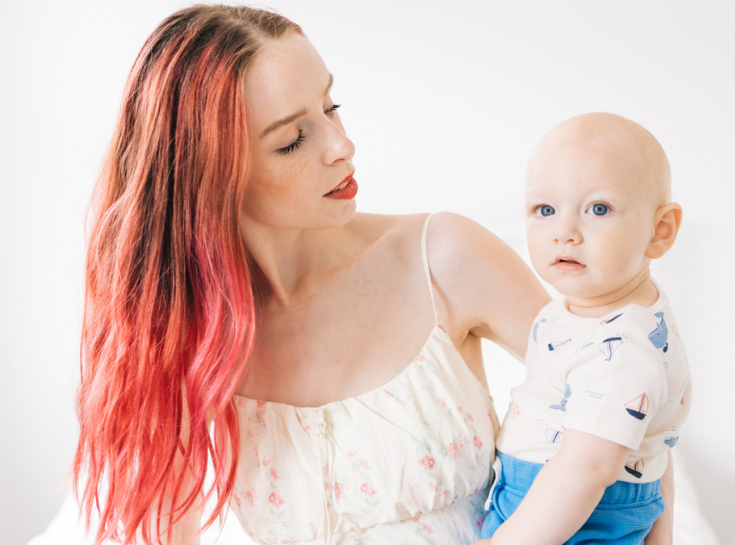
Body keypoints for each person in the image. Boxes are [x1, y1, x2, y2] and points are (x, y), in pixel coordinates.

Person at [71, 5, 552, 545]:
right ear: (210, 176)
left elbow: (628, 403)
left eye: (331, 106)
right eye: (291, 140)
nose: (340, 146)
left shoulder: (444, 258)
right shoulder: (190, 336)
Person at [475, 112, 691, 545]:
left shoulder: (624, 346)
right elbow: (654, 448)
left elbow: (587, 470)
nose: (564, 232)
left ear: (659, 231)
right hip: (546, 501)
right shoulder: (585, 310)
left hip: (575, 517)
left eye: (598, 209)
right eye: (545, 209)